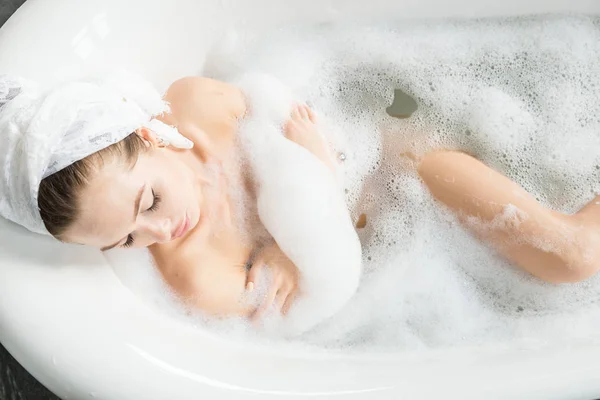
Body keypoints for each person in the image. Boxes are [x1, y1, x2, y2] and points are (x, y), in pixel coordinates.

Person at [1, 73, 598, 326]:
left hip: (397, 165)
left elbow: (301, 99)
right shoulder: (197, 279)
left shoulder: (198, 102)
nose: (159, 233)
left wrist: (321, 166)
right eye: (124, 240)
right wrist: (301, 238)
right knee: (572, 261)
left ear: (153, 134)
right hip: (388, 238)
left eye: (149, 201)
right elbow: (327, 282)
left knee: (568, 254)